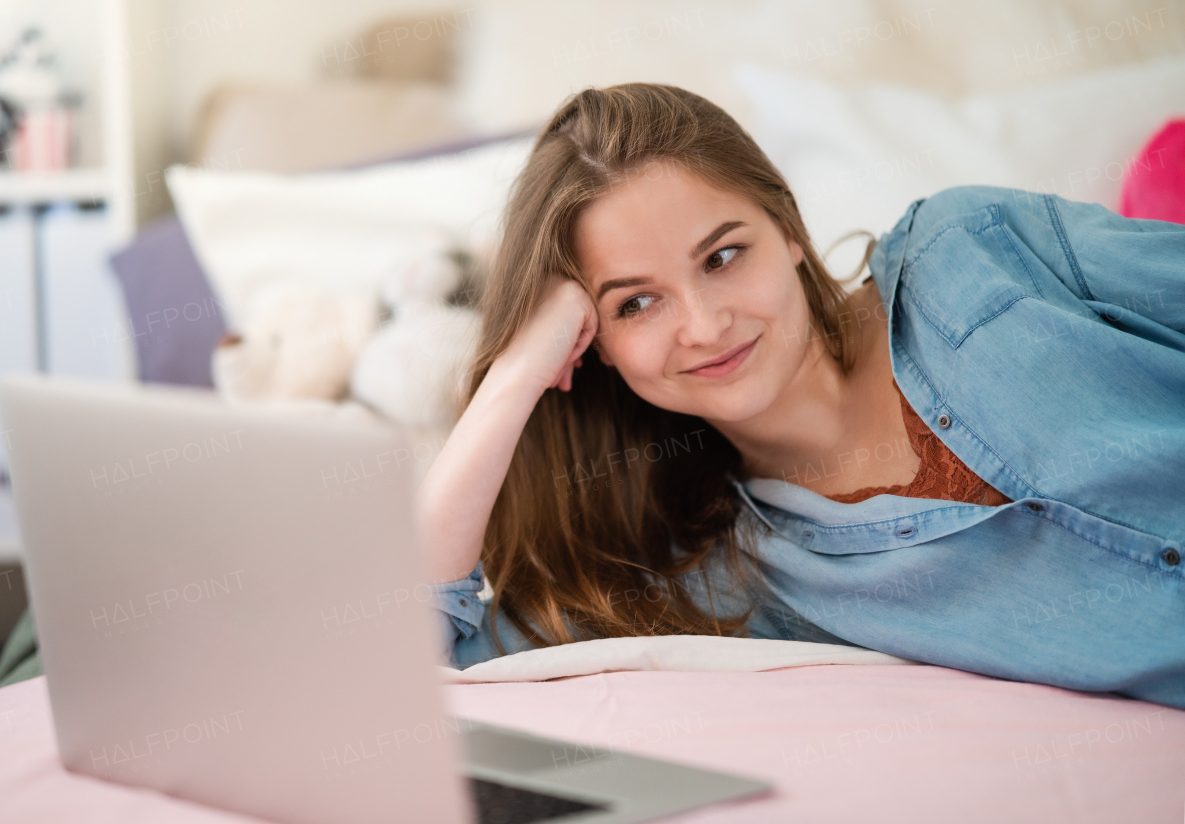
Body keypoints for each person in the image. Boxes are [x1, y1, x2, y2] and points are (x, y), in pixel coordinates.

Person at [415, 83, 1185, 709]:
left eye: (722, 255)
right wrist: (513, 377)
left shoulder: (976, 250)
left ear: (785, 225)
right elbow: (416, 661)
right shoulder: (724, 584)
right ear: (595, 348)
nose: (706, 324)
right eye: (634, 304)